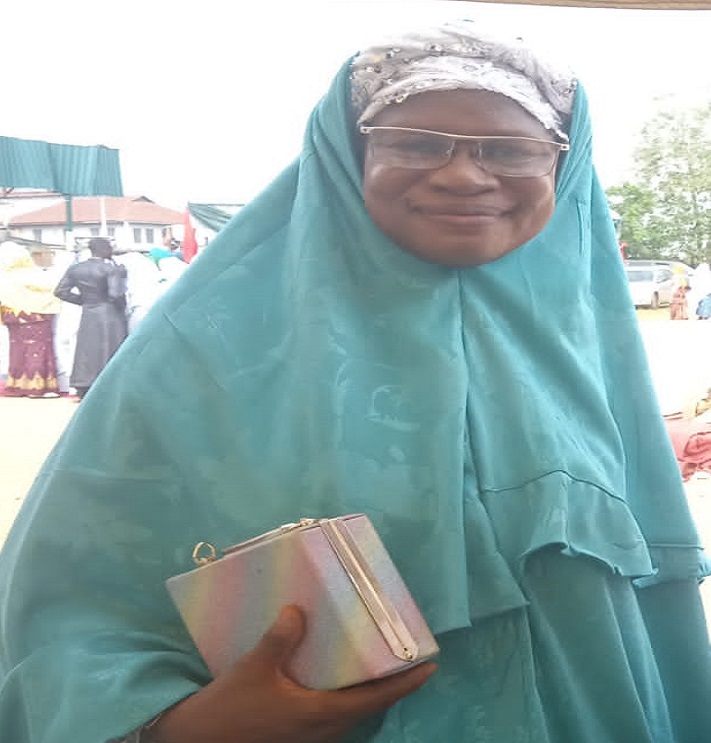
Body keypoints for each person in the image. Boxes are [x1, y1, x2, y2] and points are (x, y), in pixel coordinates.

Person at [1, 19, 710, 743]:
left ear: (564, 164)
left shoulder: (582, 345)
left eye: (508, 149)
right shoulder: (201, 350)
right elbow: (66, 600)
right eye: (415, 143)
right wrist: (178, 725)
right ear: (346, 152)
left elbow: (652, 596)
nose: (463, 174)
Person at [52, 236, 128, 399]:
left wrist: (83, 301)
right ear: (104, 249)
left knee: (86, 349)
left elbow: (60, 291)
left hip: (89, 311)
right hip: (110, 312)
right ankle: (110, 384)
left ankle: (83, 384)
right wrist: (121, 280)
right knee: (111, 347)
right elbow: (115, 294)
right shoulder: (110, 269)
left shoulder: (76, 269)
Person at [0, 241, 61, 398]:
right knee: (38, 349)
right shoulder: (31, 274)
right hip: (36, 316)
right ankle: (37, 387)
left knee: (18, 350)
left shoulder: (4, 276)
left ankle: (18, 385)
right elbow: (53, 290)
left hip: (13, 316)